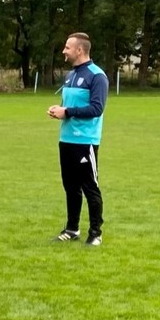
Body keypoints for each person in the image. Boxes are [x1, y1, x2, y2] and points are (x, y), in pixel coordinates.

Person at [48, 32, 108, 246]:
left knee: (90, 186)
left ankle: (95, 233)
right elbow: (70, 106)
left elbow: (96, 108)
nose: (64, 51)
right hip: (66, 140)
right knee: (70, 187)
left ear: (79, 50)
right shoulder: (70, 75)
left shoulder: (97, 75)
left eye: (67, 47)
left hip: (85, 141)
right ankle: (72, 229)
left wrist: (68, 111)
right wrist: (59, 110)